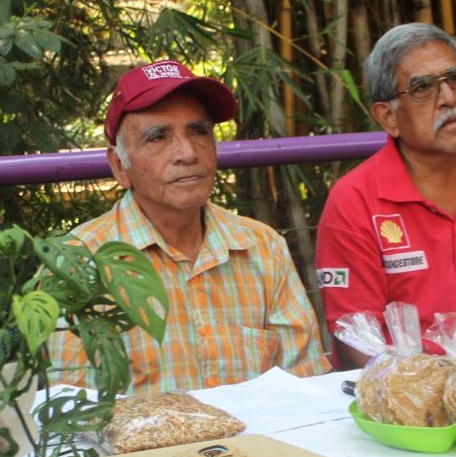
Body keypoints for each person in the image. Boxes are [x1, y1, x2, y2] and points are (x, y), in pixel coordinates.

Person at [50, 59, 330, 392]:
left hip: (257, 443)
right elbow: (73, 412)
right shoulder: (80, 261)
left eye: (199, 132)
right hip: (139, 446)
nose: (187, 152)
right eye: (158, 137)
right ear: (119, 166)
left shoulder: (261, 246)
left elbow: (306, 386)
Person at [315, 23, 456, 369]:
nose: (449, 98)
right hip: (411, 403)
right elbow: (357, 339)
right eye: (422, 88)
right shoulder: (354, 201)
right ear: (387, 117)